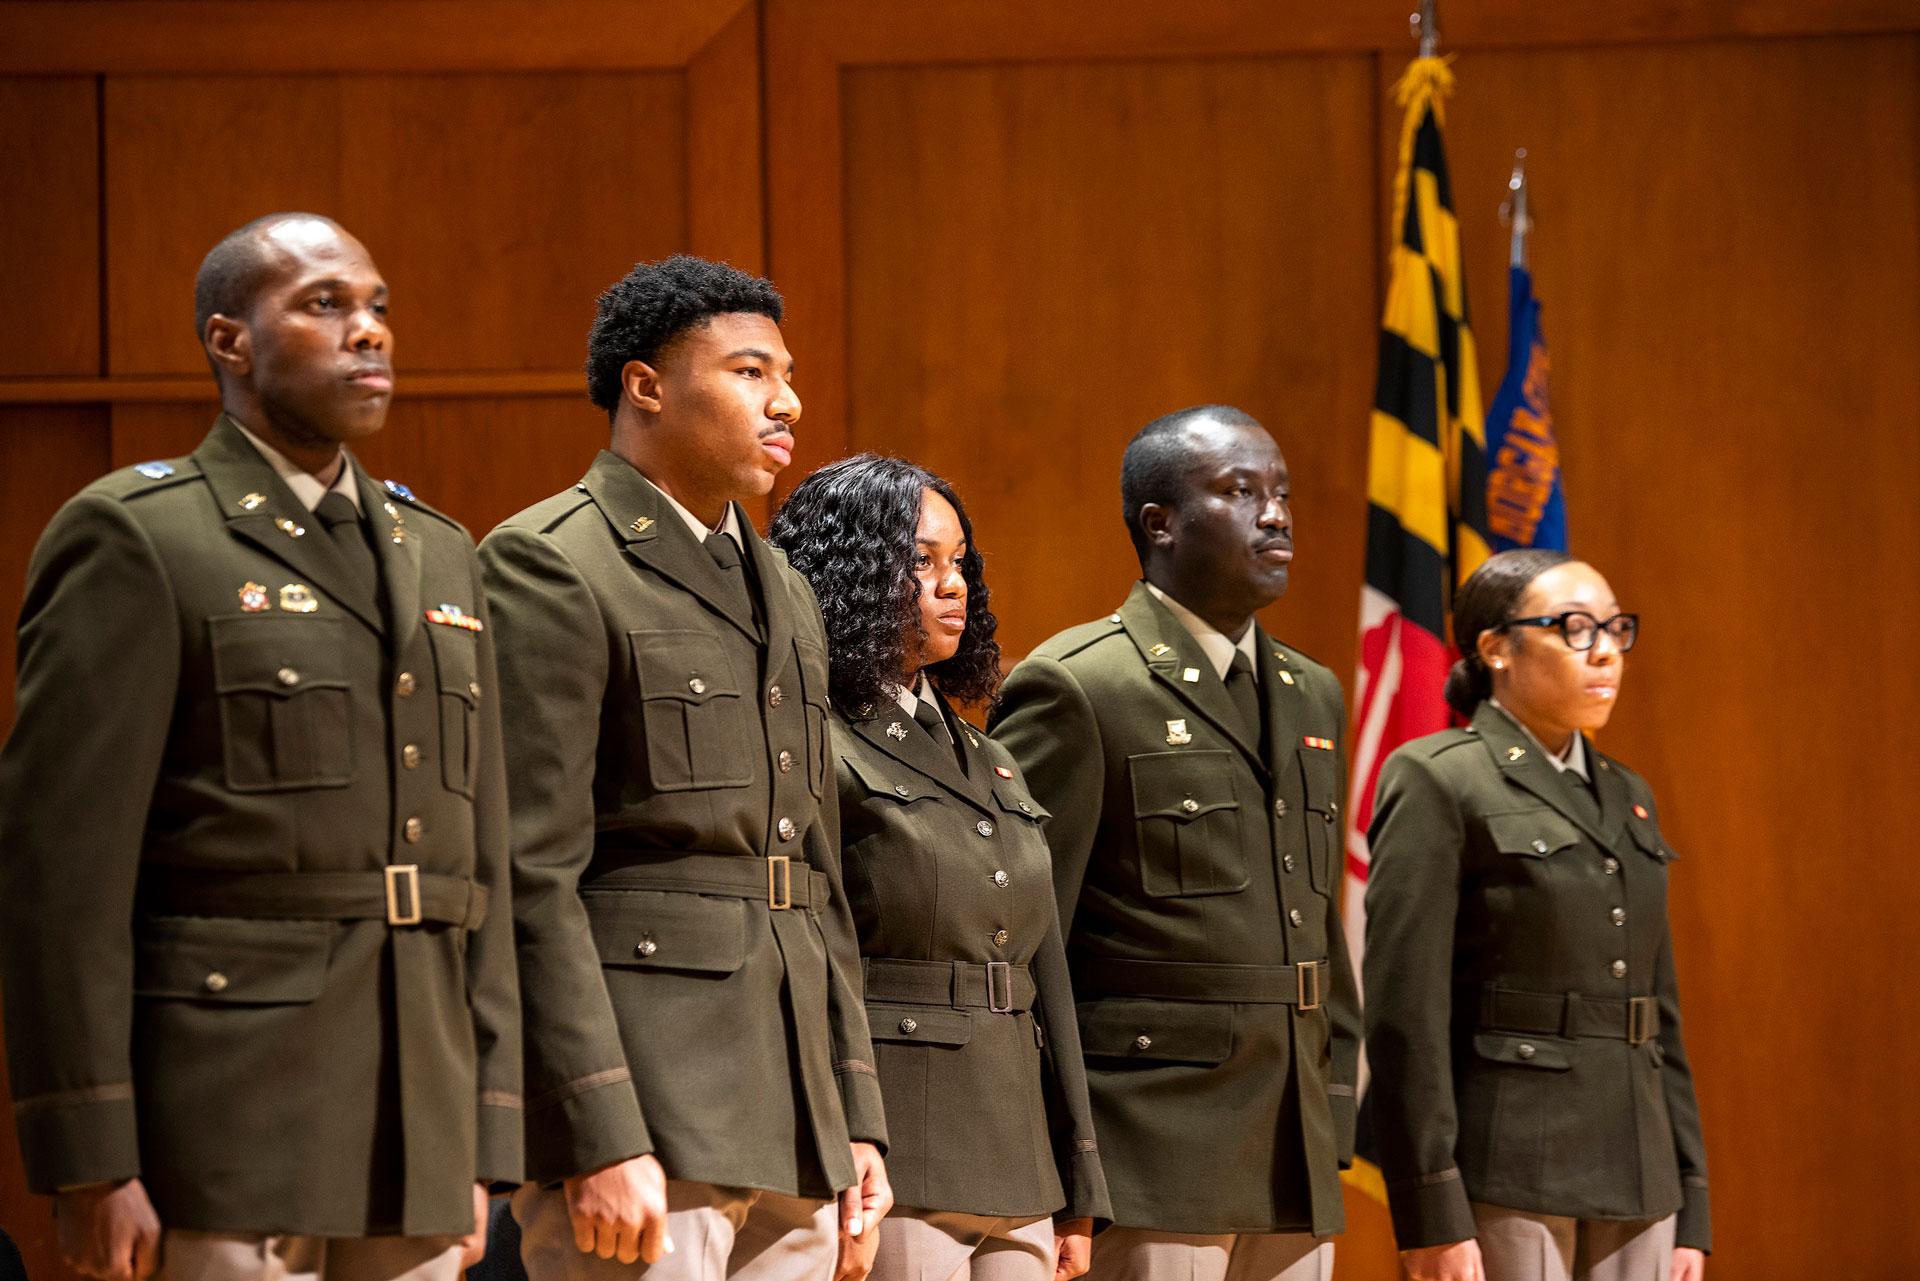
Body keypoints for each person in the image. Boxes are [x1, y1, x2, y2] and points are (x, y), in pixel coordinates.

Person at [0, 212, 521, 1281]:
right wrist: (90, 1156)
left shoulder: (440, 554)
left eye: (378, 308)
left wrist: (486, 1131)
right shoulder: (143, 537)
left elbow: (484, 870)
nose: (368, 332)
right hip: (224, 1119)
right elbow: (62, 878)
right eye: (325, 304)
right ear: (230, 340)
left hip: (414, 1125)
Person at [479, 256, 890, 1281]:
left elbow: (816, 874)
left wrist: (856, 1116)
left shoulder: (785, 586)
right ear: (646, 385)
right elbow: (530, 872)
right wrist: (596, 1124)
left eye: (786, 374)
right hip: (650, 1100)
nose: (786, 401)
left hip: (792, 1103)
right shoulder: (553, 560)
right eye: (750, 372)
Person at [989, 407, 1359, 1281]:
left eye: (1281, 493)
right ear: (1159, 523)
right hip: (1150, 1143)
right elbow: (1031, 942)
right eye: (1239, 491)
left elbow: (1317, 923)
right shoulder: (1080, 685)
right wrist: (1066, 1157)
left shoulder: (1313, 693)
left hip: (1294, 1144)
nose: (1276, 514)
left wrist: (1336, 1114)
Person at [769, 456, 1111, 1281]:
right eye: (920, 561)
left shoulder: (992, 760)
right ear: (850, 570)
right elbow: (819, 958)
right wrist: (846, 1139)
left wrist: (1080, 1180)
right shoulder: (816, 738)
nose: (951, 584)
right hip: (902, 1142)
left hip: (1017, 1152)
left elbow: (1046, 976)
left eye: (958, 561)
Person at [1363, 549, 1710, 1281]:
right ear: (1495, 648)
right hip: (1509, 1164)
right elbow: (1405, 1013)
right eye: (1576, 628)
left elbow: (1658, 1013)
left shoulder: (1627, 790)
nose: (1606, 649)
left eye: (1616, 628)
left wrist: (1693, 1200)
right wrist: (1430, 1204)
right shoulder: (1439, 776)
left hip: (1640, 1170)